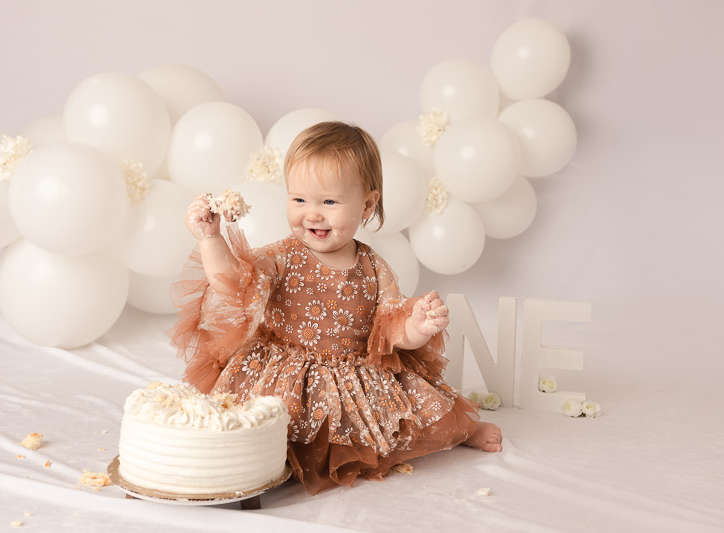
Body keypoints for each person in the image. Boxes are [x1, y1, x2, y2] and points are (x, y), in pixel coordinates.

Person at [169, 121, 502, 495]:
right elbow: (232, 282)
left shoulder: (374, 267)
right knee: (256, 434)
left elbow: (390, 331)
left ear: (367, 204)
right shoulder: (281, 257)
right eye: (299, 200)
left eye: (328, 201)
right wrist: (211, 239)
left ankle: (463, 431)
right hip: (284, 374)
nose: (312, 214)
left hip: (351, 377)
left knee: (418, 414)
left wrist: (419, 326)